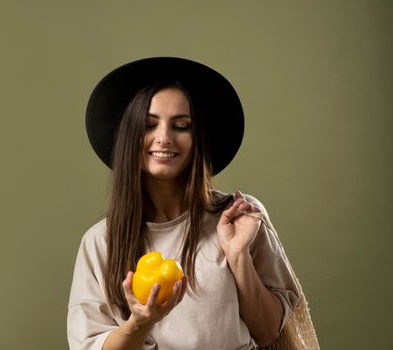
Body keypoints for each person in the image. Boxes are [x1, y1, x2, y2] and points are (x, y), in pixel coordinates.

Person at [67, 57, 318, 350]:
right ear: (130, 137)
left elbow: (266, 333)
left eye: (181, 126)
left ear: (197, 138)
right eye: (149, 125)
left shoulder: (239, 219)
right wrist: (140, 322)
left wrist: (238, 256)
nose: (164, 138)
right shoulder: (101, 242)